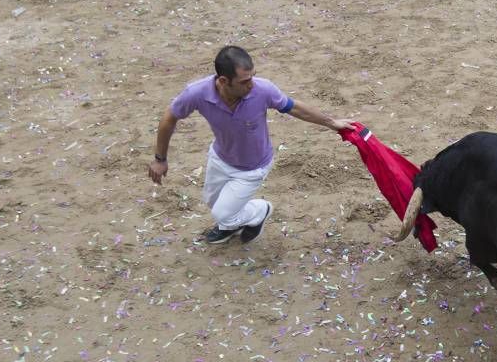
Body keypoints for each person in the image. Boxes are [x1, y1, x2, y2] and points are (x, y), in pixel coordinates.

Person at [148, 45, 353, 244]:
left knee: (222, 214)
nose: (251, 84)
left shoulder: (263, 90)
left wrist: (332, 123)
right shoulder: (197, 93)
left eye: (253, 77)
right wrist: (160, 159)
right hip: (220, 159)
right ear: (223, 80)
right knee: (213, 203)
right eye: (245, 81)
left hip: (252, 168)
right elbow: (169, 118)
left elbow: (295, 108)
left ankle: (260, 210)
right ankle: (233, 225)